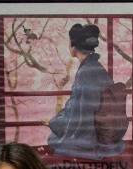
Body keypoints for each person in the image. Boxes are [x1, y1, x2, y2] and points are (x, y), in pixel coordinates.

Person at [47, 23, 124, 160]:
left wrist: (53, 122)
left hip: (91, 136)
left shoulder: (84, 73)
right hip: (103, 128)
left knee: (53, 139)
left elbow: (79, 116)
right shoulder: (96, 67)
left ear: (74, 46)